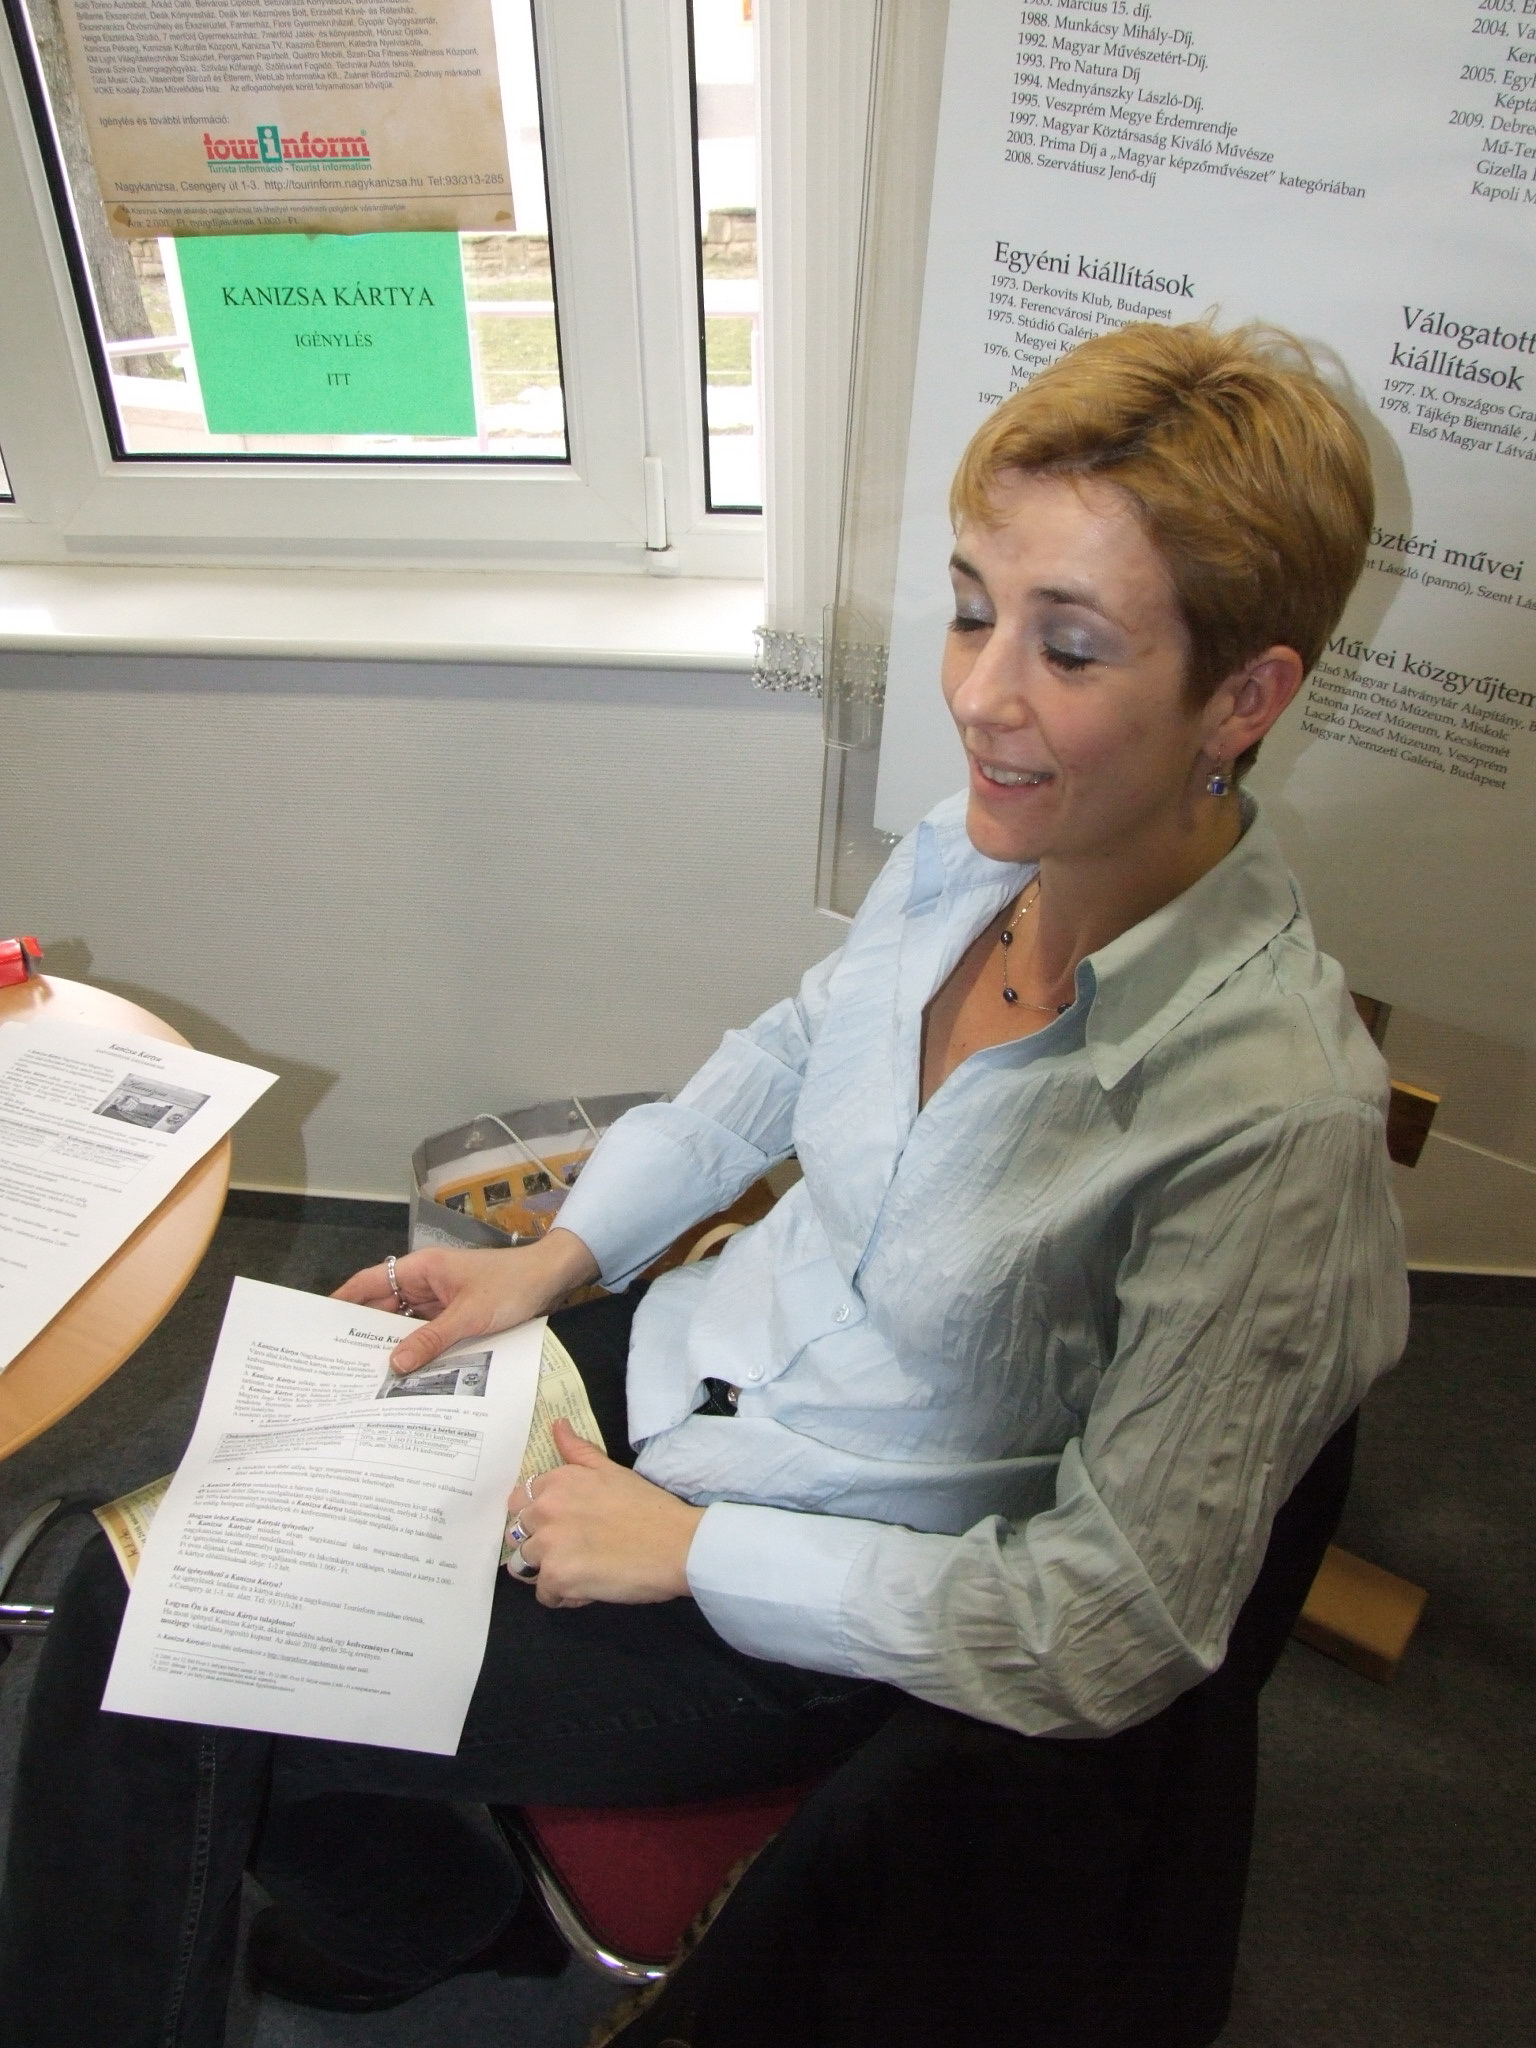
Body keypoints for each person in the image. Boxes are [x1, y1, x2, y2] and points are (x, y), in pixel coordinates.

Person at [0, 320, 1407, 2046]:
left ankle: (399, 1913)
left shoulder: (1267, 1125)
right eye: (971, 609)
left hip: (810, 1592)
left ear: (1243, 699)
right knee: (176, 1563)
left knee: (142, 1648)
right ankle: (434, 1913)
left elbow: (1115, 1627)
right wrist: (562, 1257)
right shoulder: (983, 849)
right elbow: (789, 1054)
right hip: (673, 1372)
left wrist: (696, 1552)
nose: (980, 697)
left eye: (1068, 647)